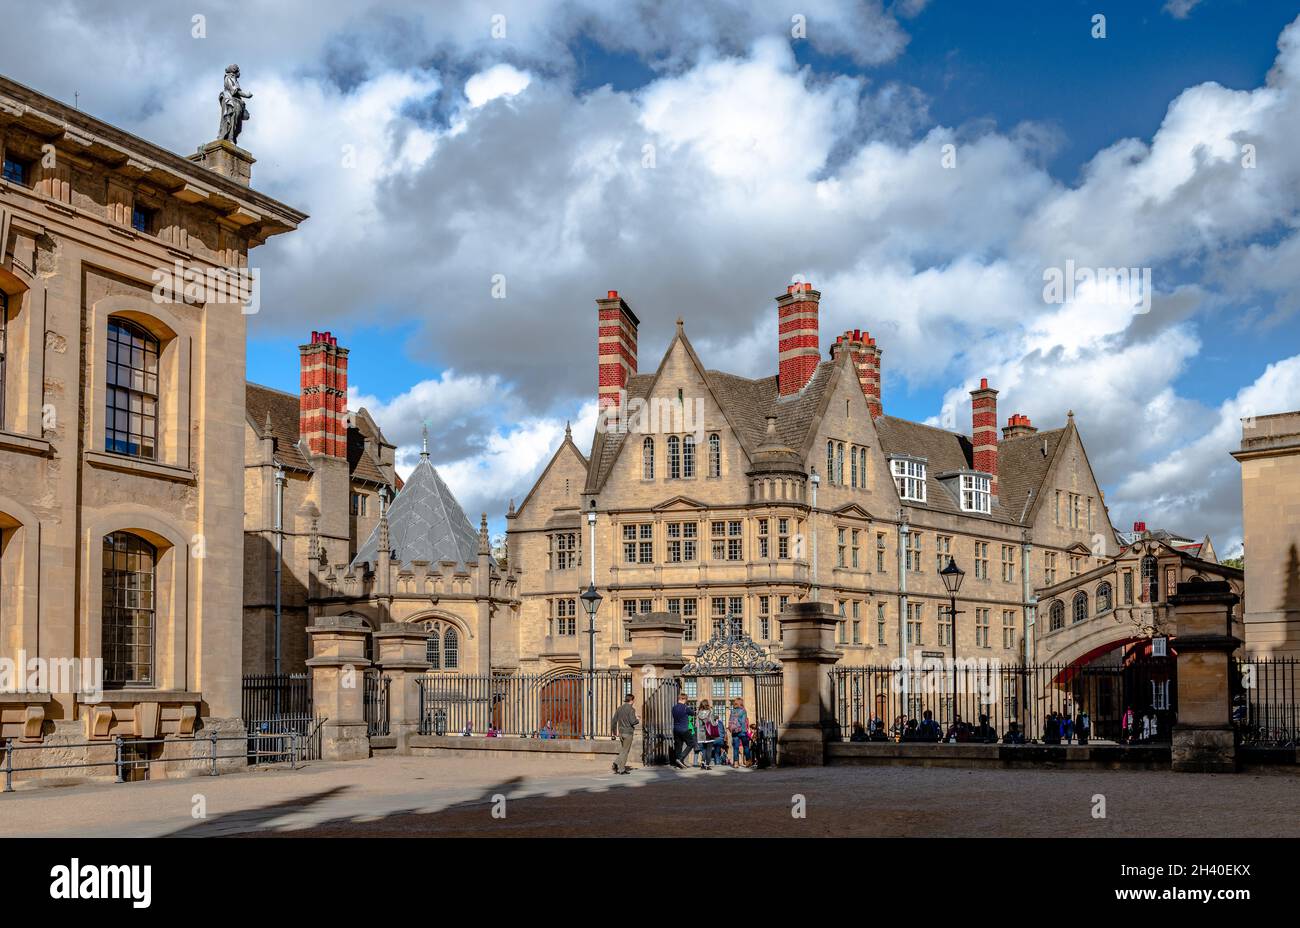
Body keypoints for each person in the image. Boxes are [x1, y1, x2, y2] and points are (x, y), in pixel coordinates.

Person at [611, 693, 638, 774]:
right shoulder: (631, 709)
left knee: (623, 750)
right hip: (628, 732)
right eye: (634, 700)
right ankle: (621, 769)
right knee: (625, 751)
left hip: (621, 732)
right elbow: (632, 721)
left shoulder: (619, 708)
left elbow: (614, 721)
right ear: (632, 700)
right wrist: (637, 719)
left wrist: (614, 732)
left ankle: (617, 764)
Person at [671, 692, 694, 769]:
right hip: (684, 729)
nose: (686, 701)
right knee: (691, 743)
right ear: (684, 699)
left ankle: (678, 764)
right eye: (686, 699)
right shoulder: (685, 707)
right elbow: (692, 713)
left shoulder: (674, 708)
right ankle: (680, 758)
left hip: (676, 729)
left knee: (678, 746)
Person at [728, 698, 751, 766]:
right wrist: (745, 730)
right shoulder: (743, 711)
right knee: (746, 746)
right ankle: (748, 762)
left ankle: (735, 763)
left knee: (735, 747)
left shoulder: (733, 711)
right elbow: (743, 721)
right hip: (742, 731)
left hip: (734, 731)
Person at [694, 700, 716, 769]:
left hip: (700, 733)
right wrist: (716, 722)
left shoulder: (698, 713)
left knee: (703, 749)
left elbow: (696, 724)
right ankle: (707, 764)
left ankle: (703, 762)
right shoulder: (710, 712)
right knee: (709, 749)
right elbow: (713, 723)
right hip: (708, 733)